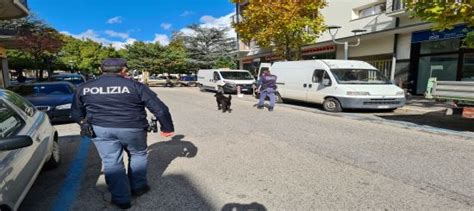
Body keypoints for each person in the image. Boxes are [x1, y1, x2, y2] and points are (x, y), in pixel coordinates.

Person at [71, 58, 175, 209]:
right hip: (133, 128)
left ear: (101, 70)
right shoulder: (135, 86)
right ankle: (138, 187)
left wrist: (82, 123)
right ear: (123, 70)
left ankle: (121, 199)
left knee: (111, 161)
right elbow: (160, 109)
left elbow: (75, 112)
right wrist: (167, 128)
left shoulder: (84, 87)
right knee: (138, 154)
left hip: (101, 129)